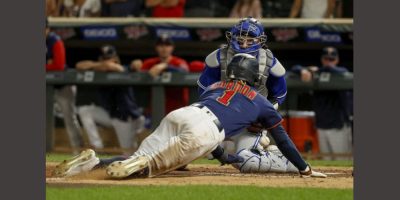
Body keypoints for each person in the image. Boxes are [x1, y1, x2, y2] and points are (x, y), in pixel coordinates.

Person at [52, 54, 327, 178]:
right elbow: (283, 139)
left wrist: (226, 158)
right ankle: (139, 166)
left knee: (136, 156)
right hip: (205, 130)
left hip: (182, 115)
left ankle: (91, 162)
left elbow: (213, 132)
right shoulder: (260, 100)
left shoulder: (216, 85)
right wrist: (304, 168)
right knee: (150, 166)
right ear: (253, 78)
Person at [198, 17, 287, 164]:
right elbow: (204, 90)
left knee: (246, 159)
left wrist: (262, 115)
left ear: (260, 41)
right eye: (240, 40)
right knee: (208, 152)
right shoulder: (219, 57)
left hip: (249, 121)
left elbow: (279, 95)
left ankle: (274, 154)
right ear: (231, 38)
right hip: (220, 118)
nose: (244, 45)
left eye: (250, 41)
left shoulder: (269, 62)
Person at [76, 45, 145, 153]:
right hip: (110, 114)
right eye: (105, 58)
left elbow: (117, 67)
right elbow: (79, 65)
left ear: (116, 59)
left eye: (110, 58)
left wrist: (104, 64)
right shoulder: (99, 71)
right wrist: (100, 64)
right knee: (85, 111)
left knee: (128, 153)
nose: (107, 61)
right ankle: (97, 147)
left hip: (125, 118)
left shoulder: (124, 68)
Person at [291, 46, 353, 160]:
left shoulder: (340, 73)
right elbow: (294, 68)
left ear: (337, 60)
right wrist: (303, 70)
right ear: (322, 59)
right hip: (321, 125)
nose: (329, 62)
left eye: (331, 59)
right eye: (326, 59)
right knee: (327, 160)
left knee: (343, 160)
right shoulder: (317, 74)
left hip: (338, 126)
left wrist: (318, 70)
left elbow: (339, 71)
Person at [46, 19, 84, 153]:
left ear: (47, 29)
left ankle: (78, 150)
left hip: (63, 86)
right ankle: (47, 149)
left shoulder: (55, 41)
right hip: (47, 87)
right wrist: (49, 65)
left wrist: (49, 65)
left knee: (69, 118)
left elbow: (59, 65)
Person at [140, 35, 190, 114]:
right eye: (161, 45)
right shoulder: (149, 63)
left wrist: (166, 66)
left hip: (178, 110)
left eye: (167, 45)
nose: (164, 48)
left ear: (172, 47)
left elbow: (184, 73)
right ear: (156, 47)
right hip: (155, 109)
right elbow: (139, 78)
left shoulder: (179, 62)